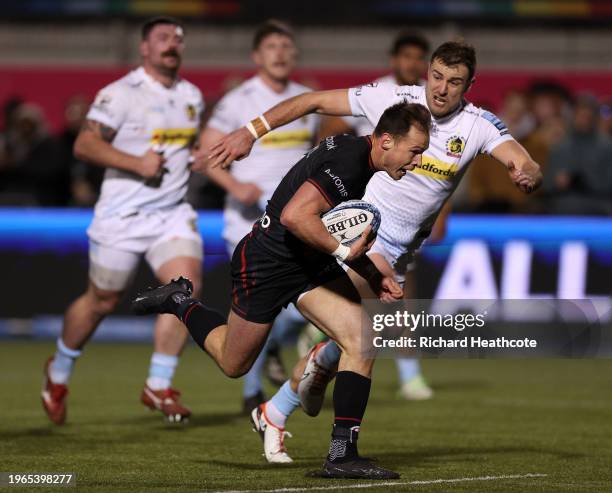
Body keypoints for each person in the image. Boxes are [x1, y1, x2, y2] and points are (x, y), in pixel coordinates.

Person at [206, 41, 542, 463]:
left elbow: (521, 157)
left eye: (454, 82)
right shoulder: (395, 99)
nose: (441, 89)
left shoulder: (478, 125)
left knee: (354, 341)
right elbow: (310, 101)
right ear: (427, 73)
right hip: (363, 237)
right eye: (436, 76)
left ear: (469, 85)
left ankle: (277, 407)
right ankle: (332, 437)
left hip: (400, 252)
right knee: (361, 338)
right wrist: (250, 132)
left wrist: (526, 170)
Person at [133, 102, 431, 478]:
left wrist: (371, 274)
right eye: (415, 151)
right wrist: (344, 252)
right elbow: (294, 217)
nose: (417, 161)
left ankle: (342, 455)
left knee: (361, 337)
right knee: (232, 363)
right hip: (267, 263)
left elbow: (324, 227)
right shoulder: (348, 165)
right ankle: (179, 301)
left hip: (306, 262)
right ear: (386, 141)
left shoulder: (357, 155)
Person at [41, 16, 205, 425]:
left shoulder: (191, 95)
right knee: (102, 301)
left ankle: (158, 384)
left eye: (178, 39)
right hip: (122, 217)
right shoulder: (120, 94)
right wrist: (136, 162)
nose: (172, 44)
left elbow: (183, 149)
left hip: (170, 215)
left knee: (185, 288)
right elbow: (84, 143)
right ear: (144, 48)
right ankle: (58, 370)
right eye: (163, 38)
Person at [197, 20, 318, 413]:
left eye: (286, 45)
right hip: (248, 223)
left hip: (296, 220)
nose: (280, 52)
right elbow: (204, 152)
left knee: (306, 308)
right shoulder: (239, 99)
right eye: (272, 46)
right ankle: (251, 392)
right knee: (254, 309)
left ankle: (271, 349)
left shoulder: (306, 100)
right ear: (257, 56)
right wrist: (236, 187)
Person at [317, 31, 436, 401]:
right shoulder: (378, 95)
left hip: (409, 220)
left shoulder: (432, 107)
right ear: (394, 59)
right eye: (408, 57)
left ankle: (407, 372)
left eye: (420, 59)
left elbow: (441, 169)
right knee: (377, 296)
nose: (413, 64)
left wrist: (438, 209)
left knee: (398, 298)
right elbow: (331, 132)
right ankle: (407, 373)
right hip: (370, 213)